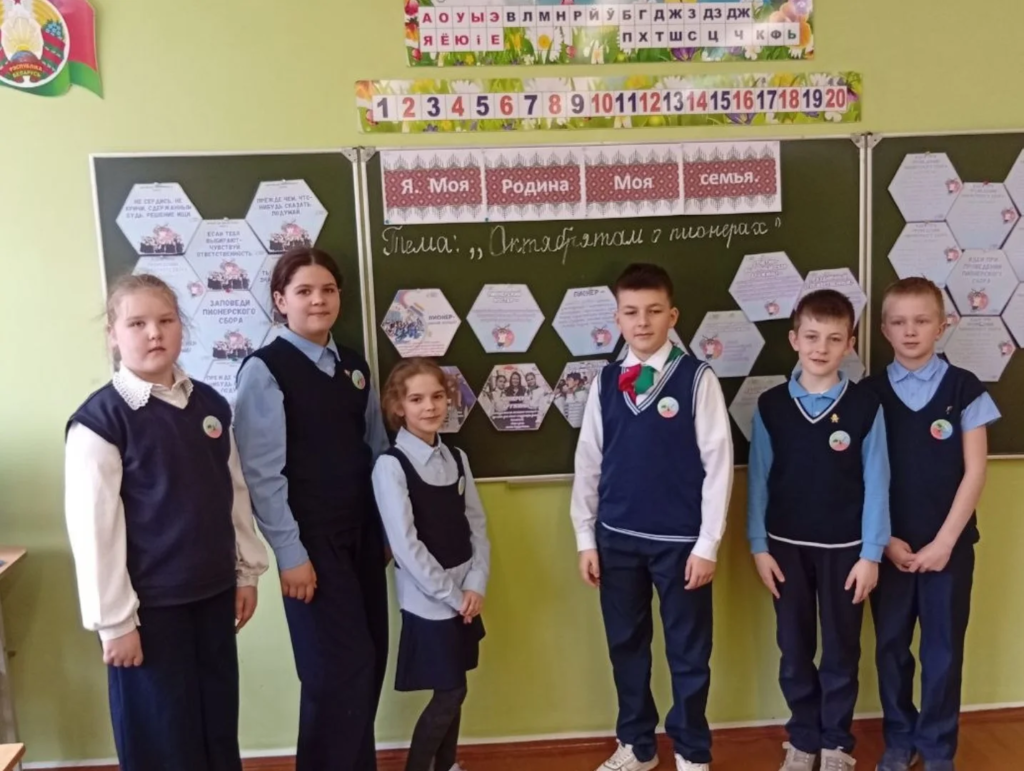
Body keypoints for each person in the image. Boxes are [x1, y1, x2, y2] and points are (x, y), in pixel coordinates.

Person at [65, 273, 269, 771]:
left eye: (166, 320)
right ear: (113, 335)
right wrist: (115, 623)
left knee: (215, 728)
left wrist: (246, 572)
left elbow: (233, 493)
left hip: (213, 595)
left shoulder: (209, 405)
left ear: (182, 327)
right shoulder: (101, 422)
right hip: (148, 612)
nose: (154, 333)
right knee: (162, 739)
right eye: (137, 323)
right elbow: (95, 534)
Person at [571, 263, 734, 771]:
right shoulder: (604, 381)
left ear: (672, 316)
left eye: (654, 311)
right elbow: (588, 462)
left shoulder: (697, 379)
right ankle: (637, 745)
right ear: (617, 318)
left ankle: (691, 751)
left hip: (681, 545)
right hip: (616, 540)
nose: (642, 322)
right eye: (631, 312)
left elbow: (719, 465)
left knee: (688, 652)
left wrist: (707, 544)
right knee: (626, 646)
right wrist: (585, 537)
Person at [233, 248, 390, 771]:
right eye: (303, 291)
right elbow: (261, 475)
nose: (318, 300)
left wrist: (386, 528)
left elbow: (376, 450)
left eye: (327, 289)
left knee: (368, 663)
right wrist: (290, 553)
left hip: (363, 536)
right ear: (281, 301)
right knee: (335, 672)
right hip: (311, 544)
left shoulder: (354, 366)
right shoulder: (265, 370)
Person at [747, 289, 890, 771]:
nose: (821, 348)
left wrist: (871, 554)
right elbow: (759, 479)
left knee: (841, 652)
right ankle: (803, 739)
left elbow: (877, 482)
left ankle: (836, 744)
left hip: (846, 552)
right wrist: (758, 546)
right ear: (794, 340)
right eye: (811, 336)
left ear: (850, 344)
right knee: (794, 650)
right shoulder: (771, 405)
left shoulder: (865, 406)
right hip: (784, 550)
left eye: (833, 338)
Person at [862, 278, 1000, 771]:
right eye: (898, 322)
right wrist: (885, 540)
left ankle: (939, 747)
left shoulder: (964, 387)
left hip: (949, 549)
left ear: (942, 326)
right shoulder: (869, 394)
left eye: (921, 321)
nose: (910, 331)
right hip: (890, 548)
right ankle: (901, 740)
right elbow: (861, 476)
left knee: (942, 651)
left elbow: (976, 471)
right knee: (891, 648)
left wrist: (944, 542)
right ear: (883, 330)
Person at [372, 358, 490, 771]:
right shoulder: (391, 466)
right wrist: (453, 596)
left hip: (465, 595)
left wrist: (476, 583)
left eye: (437, 396)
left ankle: (447, 764)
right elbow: (406, 546)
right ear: (398, 406)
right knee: (450, 691)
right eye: (417, 399)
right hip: (430, 600)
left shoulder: (457, 457)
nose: (430, 406)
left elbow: (476, 523)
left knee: (454, 686)